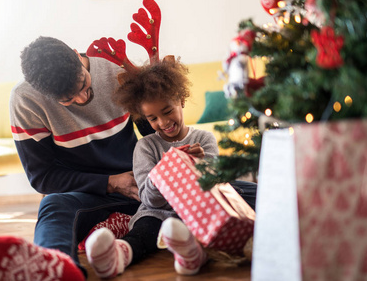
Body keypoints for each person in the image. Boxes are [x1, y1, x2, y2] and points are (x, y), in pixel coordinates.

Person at [0, 36, 154, 281]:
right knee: (53, 206)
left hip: (139, 186)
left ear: (75, 54)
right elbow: (42, 177)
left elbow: (153, 131)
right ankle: (58, 269)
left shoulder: (115, 71)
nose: (81, 98)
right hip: (86, 193)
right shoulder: (26, 100)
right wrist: (110, 182)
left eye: (83, 83)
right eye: (67, 99)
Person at [84, 56, 257, 279]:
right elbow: (149, 199)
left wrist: (201, 165)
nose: (163, 122)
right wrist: (163, 171)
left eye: (167, 111)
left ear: (181, 100)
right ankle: (118, 255)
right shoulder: (145, 147)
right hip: (157, 212)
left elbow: (216, 185)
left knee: (210, 219)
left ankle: (194, 254)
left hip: (198, 210)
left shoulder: (204, 139)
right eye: (153, 118)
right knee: (144, 231)